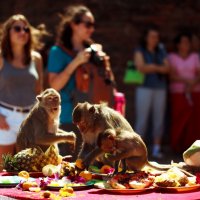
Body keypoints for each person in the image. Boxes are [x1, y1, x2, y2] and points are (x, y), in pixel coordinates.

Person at [47, 5, 115, 158]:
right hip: (68, 119)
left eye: (93, 25)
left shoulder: (93, 52)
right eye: (88, 24)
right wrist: (76, 62)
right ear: (73, 24)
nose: (91, 29)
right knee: (68, 170)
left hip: (93, 121)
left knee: (92, 170)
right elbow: (54, 85)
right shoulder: (57, 52)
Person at [0, 14, 44, 169]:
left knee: (28, 169)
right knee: (2, 168)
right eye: (17, 28)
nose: (22, 32)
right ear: (8, 32)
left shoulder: (36, 58)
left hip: (28, 120)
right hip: (5, 117)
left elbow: (39, 91)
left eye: (26, 29)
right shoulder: (1, 57)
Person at [133, 25, 170, 159]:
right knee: (142, 119)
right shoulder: (140, 50)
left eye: (156, 36)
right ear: (146, 37)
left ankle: (156, 148)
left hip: (160, 88)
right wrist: (157, 67)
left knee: (159, 118)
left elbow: (167, 68)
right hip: (144, 87)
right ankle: (137, 149)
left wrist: (152, 67)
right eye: (152, 36)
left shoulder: (161, 50)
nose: (155, 39)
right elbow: (140, 67)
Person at [168, 32, 200, 153]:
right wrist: (186, 81)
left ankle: (194, 149)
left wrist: (192, 83)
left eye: (188, 42)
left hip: (195, 92)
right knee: (178, 119)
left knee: (194, 120)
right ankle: (177, 147)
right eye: (183, 42)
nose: (186, 45)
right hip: (178, 93)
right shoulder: (171, 57)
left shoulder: (195, 57)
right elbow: (171, 76)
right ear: (178, 45)